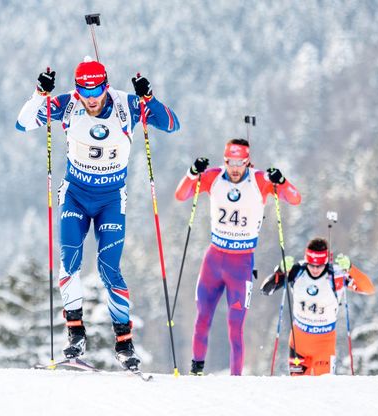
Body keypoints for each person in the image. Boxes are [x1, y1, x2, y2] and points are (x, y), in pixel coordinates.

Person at [16, 57, 180, 369]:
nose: (91, 99)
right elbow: (22, 123)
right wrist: (39, 93)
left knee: (109, 269)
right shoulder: (67, 105)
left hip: (110, 202)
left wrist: (149, 98)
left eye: (97, 92)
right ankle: (75, 333)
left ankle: (124, 343)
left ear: (106, 86)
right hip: (76, 197)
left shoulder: (126, 106)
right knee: (70, 262)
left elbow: (171, 124)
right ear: (77, 90)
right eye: (84, 92)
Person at [174, 139, 301, 375]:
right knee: (202, 318)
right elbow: (181, 195)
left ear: (247, 161)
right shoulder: (213, 177)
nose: (234, 168)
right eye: (230, 162)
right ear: (225, 161)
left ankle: (235, 380)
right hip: (213, 260)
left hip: (241, 264)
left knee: (235, 326)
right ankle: (195, 371)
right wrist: (192, 173)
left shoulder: (260, 180)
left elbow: (295, 198)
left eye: (240, 163)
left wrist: (282, 181)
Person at [260, 237, 375, 376]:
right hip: (299, 344)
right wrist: (280, 271)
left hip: (324, 346)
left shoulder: (336, 275)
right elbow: (265, 289)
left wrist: (350, 268)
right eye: (311, 265)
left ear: (326, 262)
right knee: (298, 389)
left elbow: (369, 289)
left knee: (324, 391)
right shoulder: (296, 271)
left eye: (319, 266)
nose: (315, 269)